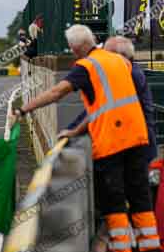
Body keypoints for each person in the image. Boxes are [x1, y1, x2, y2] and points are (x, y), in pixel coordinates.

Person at [13, 24, 162, 252]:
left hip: (111, 142)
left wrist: (24, 109)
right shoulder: (120, 62)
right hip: (137, 137)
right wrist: (76, 129)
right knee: (140, 196)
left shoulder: (86, 67)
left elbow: (57, 92)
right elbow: (105, 106)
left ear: (75, 48)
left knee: (114, 201)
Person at [67, 36, 158, 164]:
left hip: (133, 149)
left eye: (106, 54)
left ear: (119, 56)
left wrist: (72, 131)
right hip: (129, 146)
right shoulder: (130, 72)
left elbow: (100, 108)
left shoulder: (129, 75)